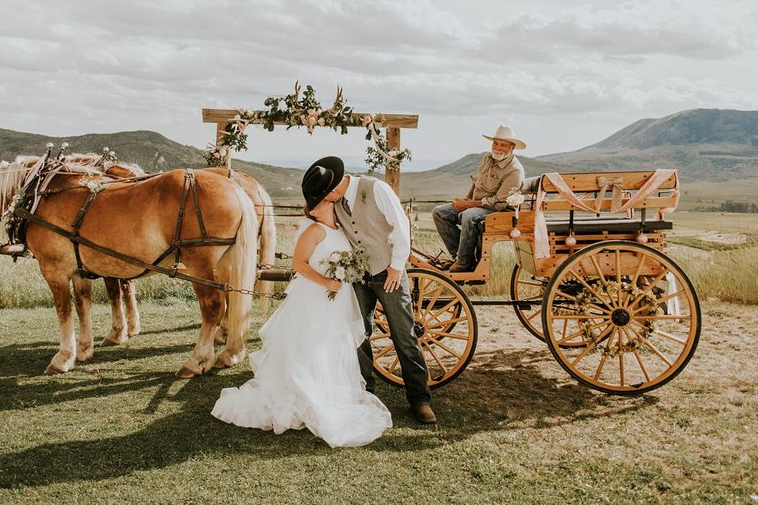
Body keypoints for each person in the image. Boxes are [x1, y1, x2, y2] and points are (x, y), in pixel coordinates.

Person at [211, 167, 392, 448]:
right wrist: (326, 281)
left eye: (320, 200)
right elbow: (299, 265)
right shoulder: (314, 230)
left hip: (338, 300)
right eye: (316, 202)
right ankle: (307, 394)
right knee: (312, 344)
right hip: (316, 297)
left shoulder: (339, 228)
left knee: (334, 344)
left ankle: (333, 391)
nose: (318, 205)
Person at [307, 156, 437, 425]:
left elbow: (401, 227)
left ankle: (419, 399)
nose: (326, 200)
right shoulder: (335, 204)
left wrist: (396, 268)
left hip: (388, 273)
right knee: (358, 333)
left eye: (325, 195)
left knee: (403, 335)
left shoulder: (376, 188)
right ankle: (365, 391)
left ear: (332, 189)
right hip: (358, 277)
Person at [433, 124, 526, 273]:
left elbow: (499, 203)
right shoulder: (488, 158)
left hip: (500, 211)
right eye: (495, 143)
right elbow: (477, 182)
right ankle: (460, 258)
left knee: (469, 215)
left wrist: (467, 205)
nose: (498, 147)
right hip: (477, 205)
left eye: (503, 145)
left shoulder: (514, 171)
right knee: (439, 213)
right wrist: (467, 199)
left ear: (512, 148)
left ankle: (463, 263)